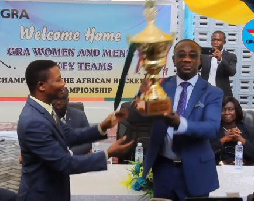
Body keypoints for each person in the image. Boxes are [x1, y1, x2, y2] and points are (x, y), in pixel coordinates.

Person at [17, 60, 134, 201]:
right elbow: (65, 163)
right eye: (58, 80)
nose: (63, 83)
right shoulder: (34, 121)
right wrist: (108, 153)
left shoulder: (45, 110)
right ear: (41, 86)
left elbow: (70, 135)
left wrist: (103, 126)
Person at [134, 39, 223, 200]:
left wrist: (180, 123)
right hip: (164, 170)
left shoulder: (213, 93)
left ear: (200, 61)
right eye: (181, 55)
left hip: (197, 172)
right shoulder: (160, 86)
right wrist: (141, 95)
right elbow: (136, 115)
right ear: (174, 60)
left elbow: (212, 128)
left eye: (192, 55)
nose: (186, 59)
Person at [210, 96, 254, 165]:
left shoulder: (248, 129)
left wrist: (242, 140)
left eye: (230, 109)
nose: (227, 112)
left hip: (244, 169)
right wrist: (224, 139)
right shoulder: (213, 129)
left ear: (236, 111)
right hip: (218, 169)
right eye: (223, 110)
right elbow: (204, 154)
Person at [52, 87, 91, 155]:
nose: (58, 102)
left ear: (68, 100)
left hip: (75, 159)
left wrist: (70, 153)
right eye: (56, 98)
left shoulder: (80, 115)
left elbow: (88, 142)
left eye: (62, 99)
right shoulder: (44, 116)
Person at [200, 31, 237, 97]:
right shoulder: (204, 55)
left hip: (222, 93)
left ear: (224, 42)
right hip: (205, 92)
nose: (215, 42)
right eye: (213, 40)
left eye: (219, 40)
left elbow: (232, 72)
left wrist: (221, 60)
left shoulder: (231, 56)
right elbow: (195, 69)